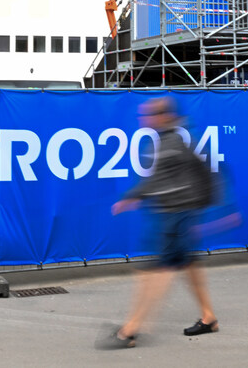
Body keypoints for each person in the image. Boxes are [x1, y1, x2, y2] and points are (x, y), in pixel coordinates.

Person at [99, 96, 217, 349]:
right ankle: (209, 317)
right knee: (188, 265)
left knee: (154, 271)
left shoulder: (169, 145)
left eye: (148, 115)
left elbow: (158, 180)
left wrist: (131, 197)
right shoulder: (170, 141)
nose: (143, 119)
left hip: (175, 215)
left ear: (162, 117)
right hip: (179, 213)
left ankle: (130, 330)